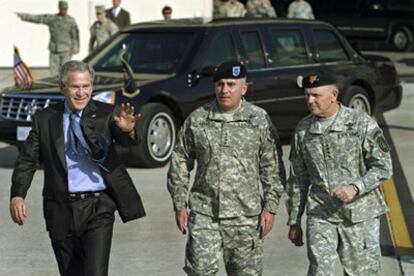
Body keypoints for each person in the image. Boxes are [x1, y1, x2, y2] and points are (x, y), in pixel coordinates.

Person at [9, 60, 146, 276]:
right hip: (60, 207)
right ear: (62, 87)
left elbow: (127, 142)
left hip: (98, 206)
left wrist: (128, 131)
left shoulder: (107, 113)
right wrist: (18, 195)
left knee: (95, 272)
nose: (81, 93)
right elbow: (27, 160)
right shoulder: (45, 119)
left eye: (86, 86)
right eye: (75, 87)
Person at [167, 61, 286, 275]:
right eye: (220, 84)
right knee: (199, 271)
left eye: (231, 84)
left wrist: (270, 207)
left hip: (245, 216)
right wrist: (179, 203)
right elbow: (180, 160)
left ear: (244, 88)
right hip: (205, 213)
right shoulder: (198, 119)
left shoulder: (259, 120)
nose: (225, 90)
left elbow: (272, 167)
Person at [286, 69, 393, 275]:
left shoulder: (361, 123)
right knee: (320, 270)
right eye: (307, 95)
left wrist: (356, 187)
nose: (310, 100)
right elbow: (298, 179)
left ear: (334, 95)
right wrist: (294, 221)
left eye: (316, 95)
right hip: (321, 213)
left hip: (360, 215)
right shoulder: (303, 130)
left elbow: (383, 166)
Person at [16, 0, 79, 76]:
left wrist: (75, 49)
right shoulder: (52, 19)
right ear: (59, 8)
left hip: (66, 50)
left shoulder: (71, 21)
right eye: (62, 9)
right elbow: (38, 18)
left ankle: (64, 86)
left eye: (65, 9)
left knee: (65, 71)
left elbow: (75, 35)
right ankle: (55, 86)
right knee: (54, 72)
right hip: (54, 50)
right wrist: (23, 16)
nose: (64, 11)